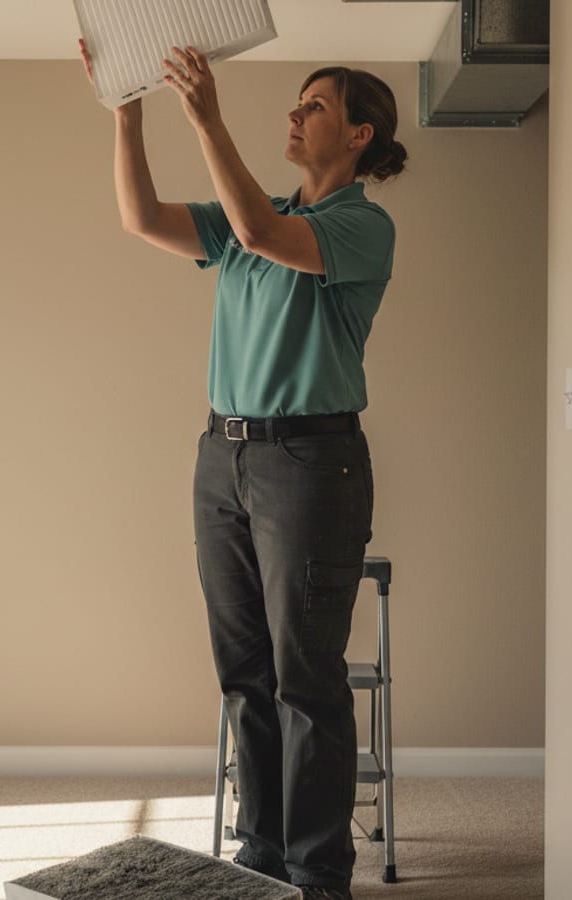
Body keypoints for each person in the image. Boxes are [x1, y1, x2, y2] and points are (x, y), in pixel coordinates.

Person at [80, 39, 406, 900]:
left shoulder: (360, 225)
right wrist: (128, 115)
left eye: (316, 108)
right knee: (244, 670)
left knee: (306, 677)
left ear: (360, 134)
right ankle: (260, 858)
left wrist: (207, 115)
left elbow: (265, 236)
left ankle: (317, 873)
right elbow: (141, 218)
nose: (295, 117)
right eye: (296, 104)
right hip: (221, 457)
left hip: (311, 461)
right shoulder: (248, 205)